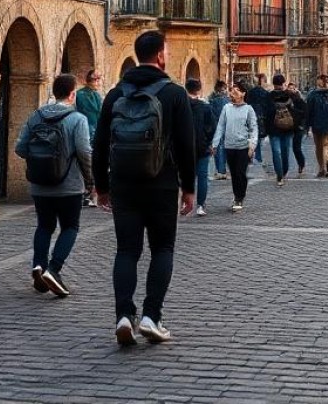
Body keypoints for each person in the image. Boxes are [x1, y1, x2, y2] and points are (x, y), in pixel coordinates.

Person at [92, 30, 196, 347]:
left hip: (123, 183)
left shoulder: (115, 94)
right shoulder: (174, 94)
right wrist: (189, 188)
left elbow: (99, 145)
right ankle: (152, 316)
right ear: (161, 56)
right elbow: (185, 145)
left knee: (126, 250)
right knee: (162, 249)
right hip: (161, 183)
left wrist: (101, 187)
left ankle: (124, 316)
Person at [15, 73, 94, 297]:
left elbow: (20, 148)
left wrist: (39, 160)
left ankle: (38, 265)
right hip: (69, 185)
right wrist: (90, 180)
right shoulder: (78, 119)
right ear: (72, 94)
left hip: (40, 185)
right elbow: (84, 152)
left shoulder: (36, 116)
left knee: (44, 226)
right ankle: (54, 269)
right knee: (70, 227)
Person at [211, 82, 258, 212]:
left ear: (243, 93)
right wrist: (215, 144)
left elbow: (254, 128)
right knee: (234, 173)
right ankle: (237, 195)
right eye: (232, 91)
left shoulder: (249, 109)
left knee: (240, 173)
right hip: (229, 146)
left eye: (237, 91)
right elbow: (220, 126)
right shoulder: (226, 108)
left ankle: (239, 197)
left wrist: (252, 145)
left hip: (243, 146)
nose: (233, 93)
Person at [186, 78, 215, 216]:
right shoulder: (205, 107)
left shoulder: (181, 106)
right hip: (202, 147)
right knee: (202, 177)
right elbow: (211, 127)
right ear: (199, 90)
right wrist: (209, 142)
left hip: (185, 147)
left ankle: (186, 203)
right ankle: (200, 205)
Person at [305, 74, 328, 177]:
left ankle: (322, 168)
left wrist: (307, 126)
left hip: (316, 124)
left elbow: (308, 111)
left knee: (319, 147)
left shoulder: (312, 95)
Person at [75, 70, 104, 206]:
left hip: (95, 132)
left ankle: (91, 194)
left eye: (98, 79)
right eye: (95, 79)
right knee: (85, 164)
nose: (97, 82)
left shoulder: (97, 96)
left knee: (92, 165)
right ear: (89, 80)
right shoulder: (80, 95)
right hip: (85, 131)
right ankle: (86, 194)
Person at [264, 75, 299, 186]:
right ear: (283, 83)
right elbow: (298, 110)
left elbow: (266, 113)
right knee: (285, 151)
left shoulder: (268, 96)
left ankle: (279, 176)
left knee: (276, 152)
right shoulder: (290, 95)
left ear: (273, 84)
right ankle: (283, 172)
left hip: (273, 129)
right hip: (287, 128)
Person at [244, 75, 271, 170]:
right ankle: (257, 157)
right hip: (261, 117)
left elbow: (246, 104)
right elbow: (268, 107)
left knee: (253, 137)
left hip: (252, 116)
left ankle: (254, 156)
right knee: (258, 138)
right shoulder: (266, 93)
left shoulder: (250, 92)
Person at [207, 80, 230, 179]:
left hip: (216, 127)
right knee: (224, 148)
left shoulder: (211, 100)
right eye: (225, 88)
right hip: (226, 127)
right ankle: (223, 170)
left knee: (217, 148)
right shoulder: (227, 100)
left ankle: (219, 170)